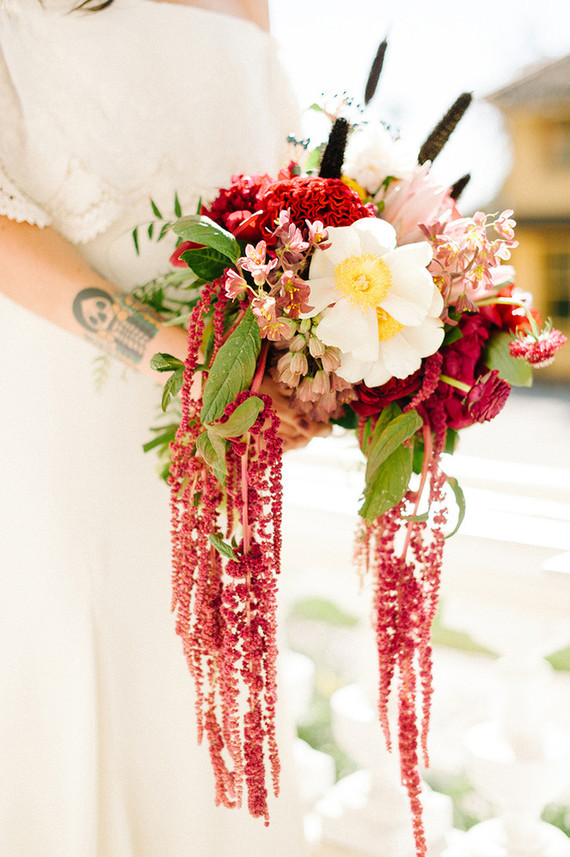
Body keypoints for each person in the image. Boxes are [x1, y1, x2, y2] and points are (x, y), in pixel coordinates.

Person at [0, 1, 309, 853]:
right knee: (87, 645)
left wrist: (307, 371)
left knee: (210, 678)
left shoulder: (251, 5)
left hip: (229, 414)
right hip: (70, 395)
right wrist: (178, 354)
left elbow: (286, 198)